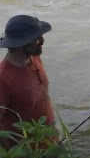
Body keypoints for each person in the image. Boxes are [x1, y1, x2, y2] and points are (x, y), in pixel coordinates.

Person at [0, 15, 58, 150]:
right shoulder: (3, 78)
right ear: (22, 43)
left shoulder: (35, 59)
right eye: (37, 38)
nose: (42, 41)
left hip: (51, 141)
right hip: (28, 152)